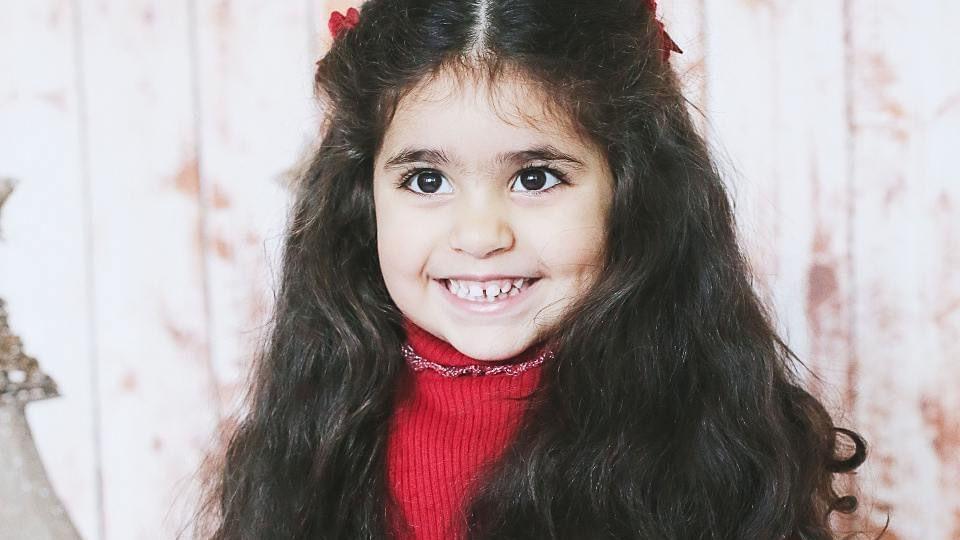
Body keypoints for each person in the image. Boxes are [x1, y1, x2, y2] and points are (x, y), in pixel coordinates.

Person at [188, 1, 878, 538]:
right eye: (426, 181)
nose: (481, 235)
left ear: (633, 194)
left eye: (537, 177)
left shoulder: (716, 440)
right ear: (362, 200)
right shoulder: (316, 438)